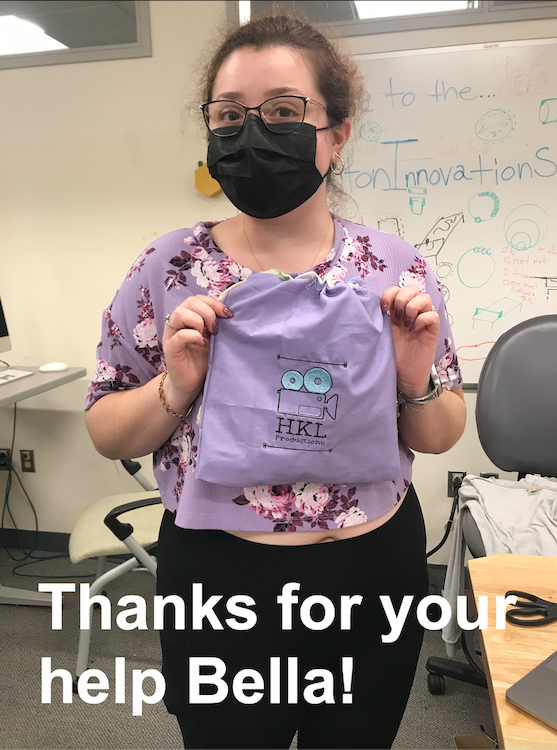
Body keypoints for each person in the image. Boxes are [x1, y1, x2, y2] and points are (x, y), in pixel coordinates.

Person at [85, 12, 466, 749]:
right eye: (230, 115)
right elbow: (105, 430)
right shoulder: (169, 267)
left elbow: (440, 433)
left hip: (372, 573)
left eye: (285, 112)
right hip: (219, 580)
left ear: (337, 134)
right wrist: (176, 387)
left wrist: (413, 376)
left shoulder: (394, 267)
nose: (254, 132)